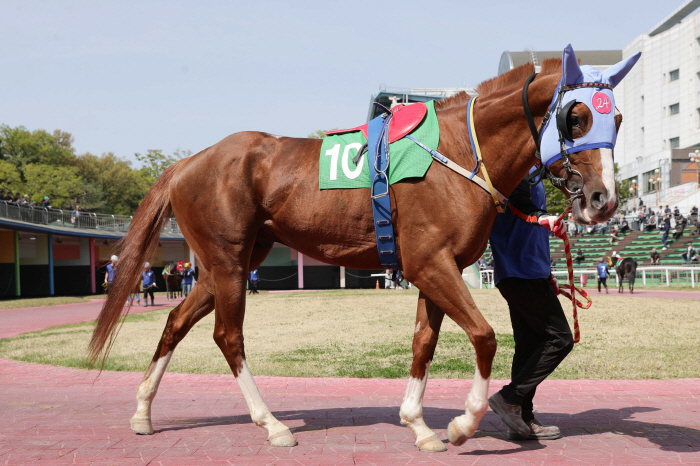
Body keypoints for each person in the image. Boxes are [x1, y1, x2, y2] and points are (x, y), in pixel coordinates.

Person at [487, 172, 572, 441]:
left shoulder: (533, 172)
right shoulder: (516, 168)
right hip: (521, 272)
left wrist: (547, 274)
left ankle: (522, 419)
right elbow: (522, 203)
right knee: (560, 339)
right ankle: (508, 398)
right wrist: (547, 218)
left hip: (528, 272)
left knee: (529, 346)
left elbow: (531, 228)